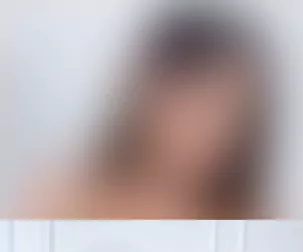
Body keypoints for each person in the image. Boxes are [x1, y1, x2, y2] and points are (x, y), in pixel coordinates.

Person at [22, 9, 276, 220]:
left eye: (232, 115)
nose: (213, 131)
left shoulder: (254, 212)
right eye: (194, 104)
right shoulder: (67, 194)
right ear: (149, 94)